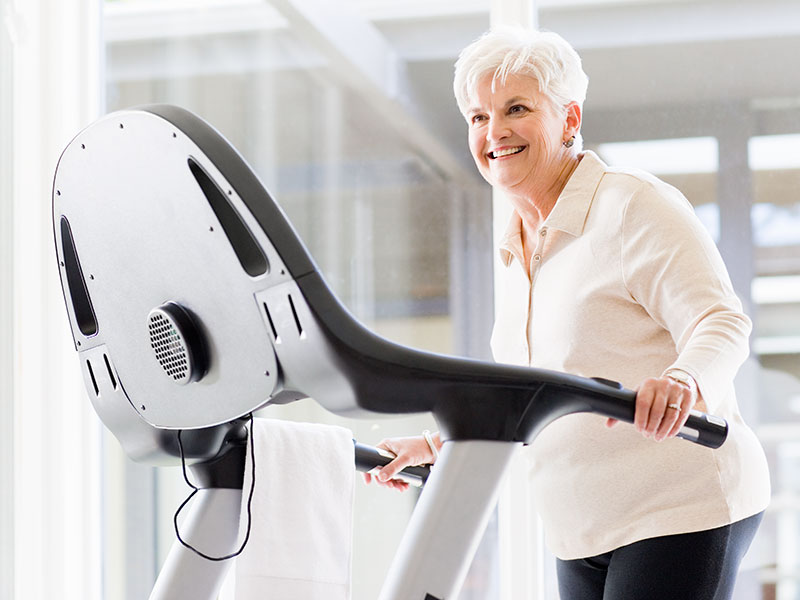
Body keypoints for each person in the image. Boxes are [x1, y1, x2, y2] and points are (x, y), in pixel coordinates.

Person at [363, 27, 771, 600]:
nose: (494, 131)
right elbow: (527, 389)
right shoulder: (513, 245)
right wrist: (435, 445)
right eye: (478, 117)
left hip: (678, 505)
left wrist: (684, 379)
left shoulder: (630, 205)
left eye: (516, 109)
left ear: (569, 117)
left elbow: (721, 320)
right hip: (579, 529)